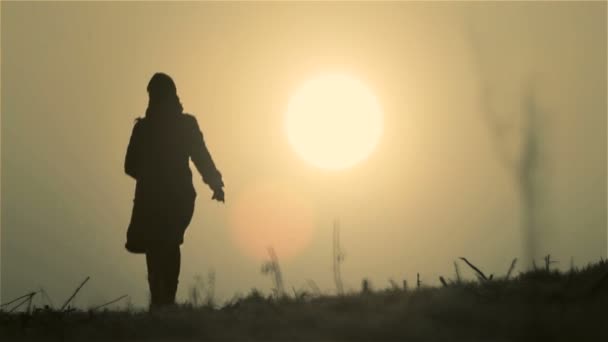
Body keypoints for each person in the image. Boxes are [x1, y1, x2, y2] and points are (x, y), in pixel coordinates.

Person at [124, 73, 224, 309]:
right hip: (173, 198)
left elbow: (130, 166)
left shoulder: (147, 129)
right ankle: (163, 303)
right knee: (165, 245)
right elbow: (201, 157)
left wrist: (215, 183)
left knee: (161, 246)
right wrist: (215, 183)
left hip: (161, 198)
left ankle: (163, 301)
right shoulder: (180, 125)